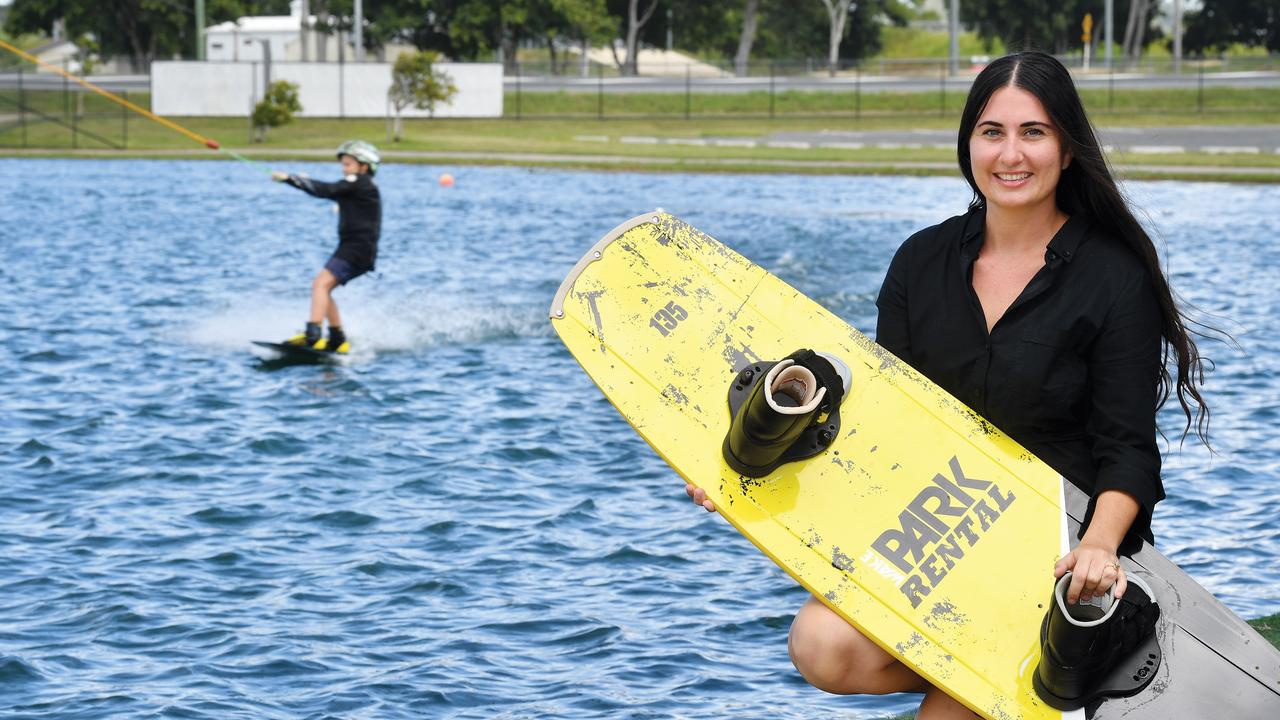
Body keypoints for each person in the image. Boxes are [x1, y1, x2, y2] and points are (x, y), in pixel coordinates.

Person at [687, 51, 1211, 718]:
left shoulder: (1113, 278)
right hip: (944, 543)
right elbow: (883, 430)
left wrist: (1098, 550)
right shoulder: (920, 262)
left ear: (1068, 149)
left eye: (1034, 132)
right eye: (992, 132)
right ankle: (999, 687)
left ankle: (1054, 667)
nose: (1010, 153)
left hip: (1061, 562)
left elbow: (1129, 451)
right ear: (969, 144)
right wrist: (752, 478)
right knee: (819, 644)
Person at [271, 140, 382, 353]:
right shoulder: (358, 185)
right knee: (325, 289)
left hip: (357, 249)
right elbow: (328, 189)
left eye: (348, 164)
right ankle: (337, 338)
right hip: (356, 248)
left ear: (364, 167)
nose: (344, 169)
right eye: (344, 165)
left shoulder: (361, 183)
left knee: (320, 285)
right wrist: (297, 181)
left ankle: (313, 334)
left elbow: (326, 189)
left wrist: (291, 179)